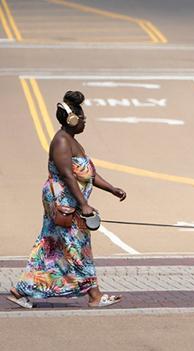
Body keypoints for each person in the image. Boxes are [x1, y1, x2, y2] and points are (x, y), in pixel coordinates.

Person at [6, 91, 127, 309]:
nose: (85, 122)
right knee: (75, 246)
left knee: (54, 245)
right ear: (72, 120)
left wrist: (112, 189)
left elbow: (86, 173)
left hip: (70, 203)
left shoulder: (71, 141)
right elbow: (68, 176)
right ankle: (94, 296)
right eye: (82, 119)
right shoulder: (62, 142)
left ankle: (21, 290)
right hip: (64, 204)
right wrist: (83, 204)